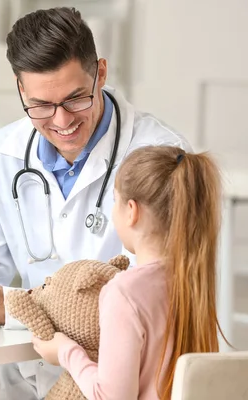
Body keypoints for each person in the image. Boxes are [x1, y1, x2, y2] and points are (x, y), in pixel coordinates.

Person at [0, 7, 192, 400]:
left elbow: (159, 296)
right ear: (20, 90)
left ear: (101, 74)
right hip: (28, 365)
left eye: (76, 99)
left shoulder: (159, 156)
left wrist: (13, 308)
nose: (61, 120)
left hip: (121, 376)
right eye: (41, 105)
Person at [32, 145, 230, 399]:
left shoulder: (123, 292)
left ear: (132, 211)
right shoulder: (195, 279)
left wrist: (65, 352)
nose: (113, 213)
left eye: (115, 202)